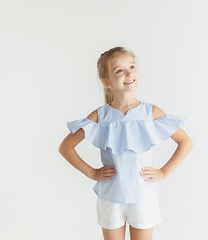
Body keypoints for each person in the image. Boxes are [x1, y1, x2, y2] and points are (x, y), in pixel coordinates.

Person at [58, 46, 193, 240]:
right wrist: (92, 172)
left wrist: (163, 172)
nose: (129, 73)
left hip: (143, 196)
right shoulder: (100, 116)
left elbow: (185, 142)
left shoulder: (150, 113)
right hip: (110, 197)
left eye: (132, 66)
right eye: (120, 70)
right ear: (106, 82)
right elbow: (66, 147)